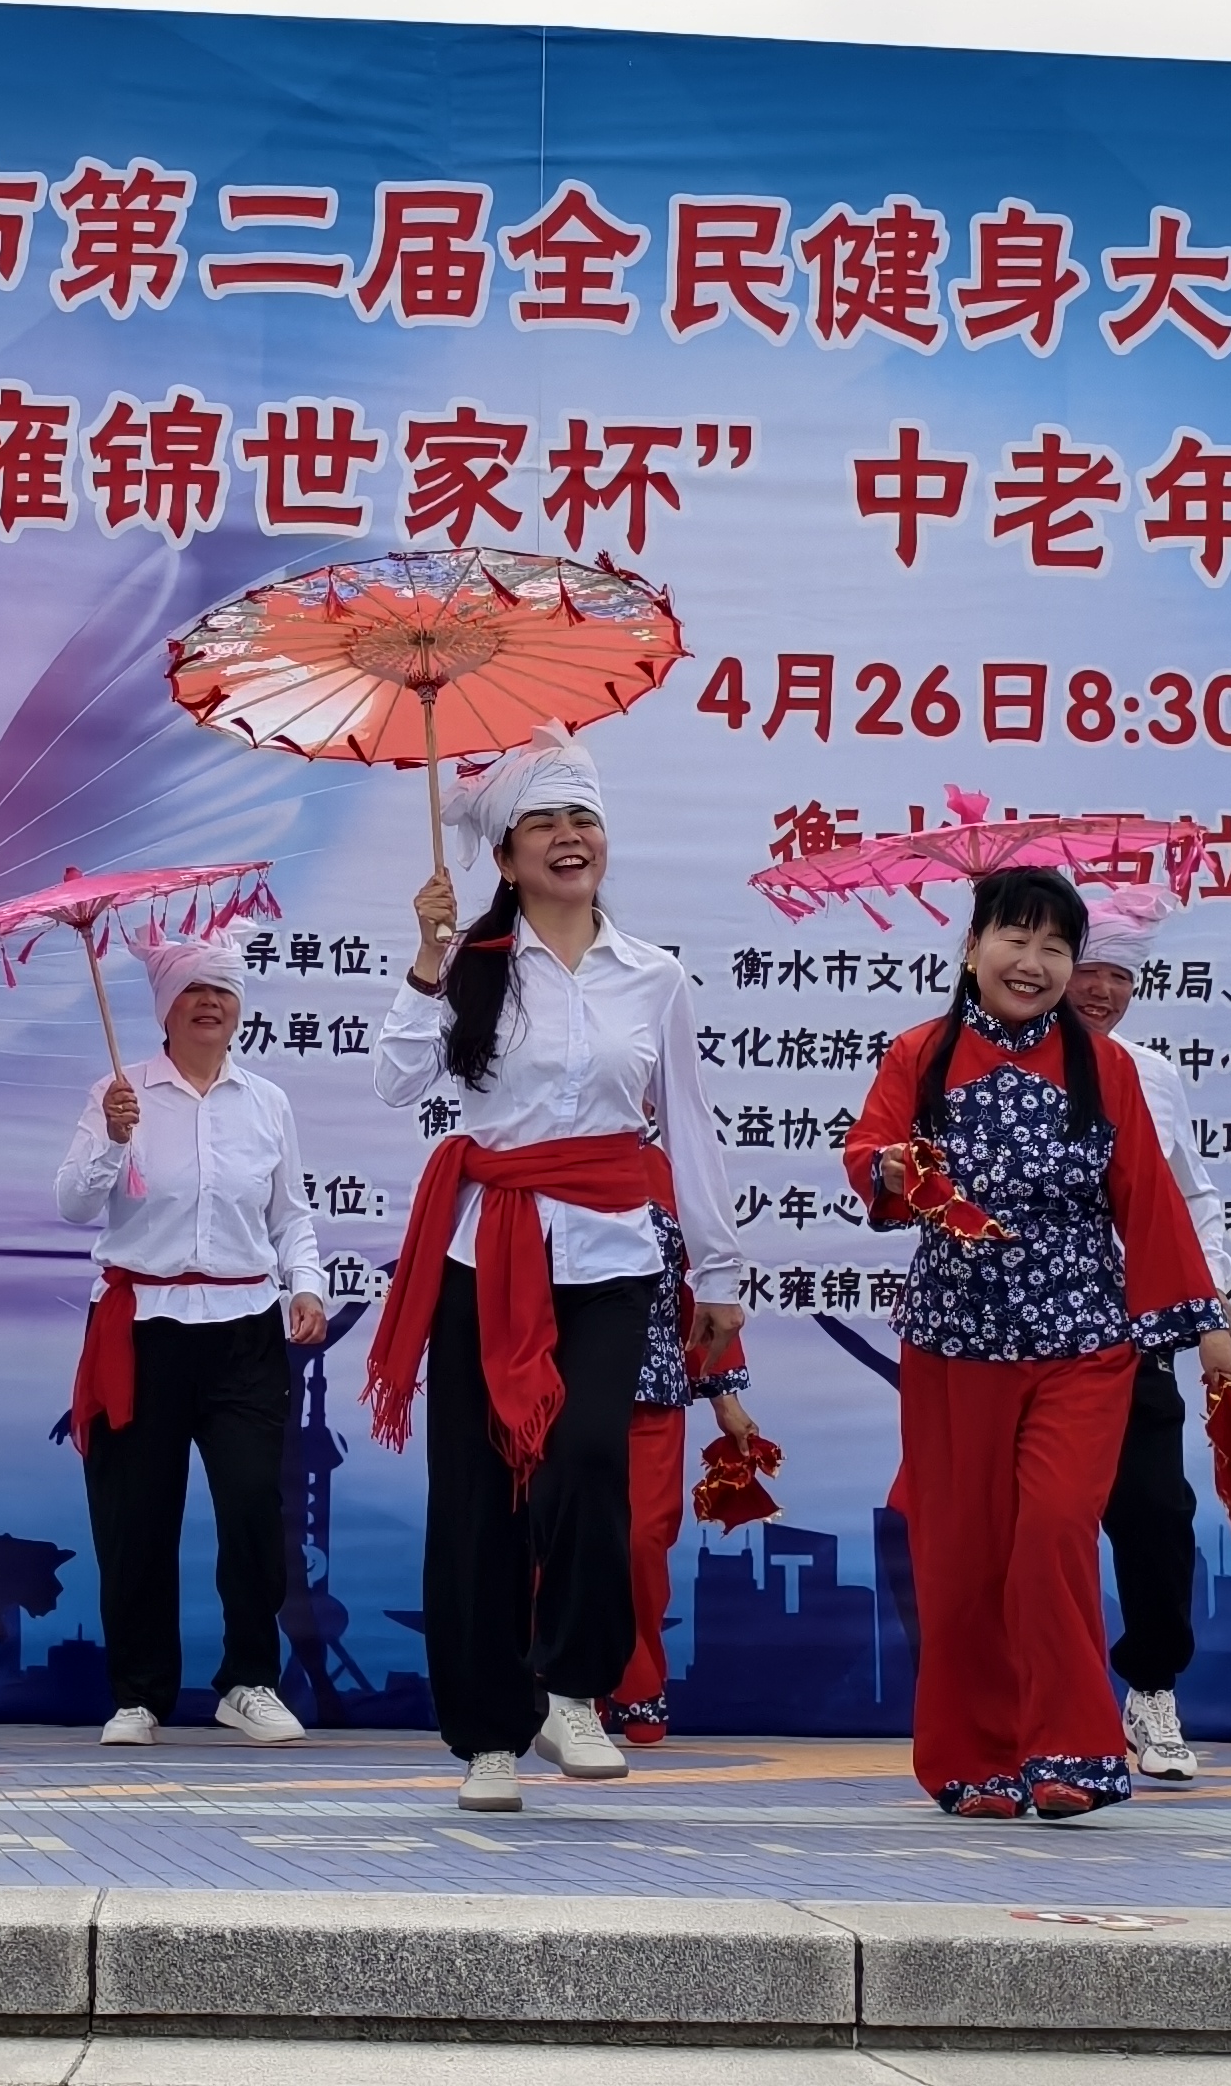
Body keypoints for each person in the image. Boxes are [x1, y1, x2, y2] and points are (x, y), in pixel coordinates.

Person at [367, 725, 747, 1815]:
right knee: (477, 1495)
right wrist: (428, 958)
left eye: (583, 818)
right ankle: (488, 1737)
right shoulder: (473, 966)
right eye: (542, 823)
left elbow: (688, 1126)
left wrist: (719, 1275)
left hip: (613, 1253)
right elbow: (396, 1082)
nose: (569, 837)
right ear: (505, 855)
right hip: (484, 1253)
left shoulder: (653, 977)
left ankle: (572, 1687)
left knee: (587, 1461)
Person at [842, 864, 1231, 1821]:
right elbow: (869, 1156)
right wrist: (891, 1169)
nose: (1034, 962)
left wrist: (1206, 1329)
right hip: (955, 1346)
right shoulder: (920, 1054)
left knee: (1056, 1532)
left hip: (1082, 1344)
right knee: (964, 1553)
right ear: (972, 948)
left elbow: (1148, 1199)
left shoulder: (1106, 1068)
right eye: (1015, 939)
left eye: (1056, 946)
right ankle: (976, 1759)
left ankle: (1071, 1751)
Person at [56, 930, 327, 1747]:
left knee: (252, 1507)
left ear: (238, 1006)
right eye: (192, 990)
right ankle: (139, 1693)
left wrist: (306, 1285)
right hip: (142, 1329)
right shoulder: (120, 1093)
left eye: (222, 990)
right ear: (164, 1008)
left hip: (244, 1329)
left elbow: (290, 1214)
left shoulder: (266, 1102)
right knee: (136, 1515)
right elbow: (73, 1205)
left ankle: (249, 1681)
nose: (209, 1003)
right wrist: (113, 1138)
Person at [1063, 885, 1231, 1786]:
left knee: (1158, 1514)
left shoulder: (1150, 1073)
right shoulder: (979, 1062)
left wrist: (1211, 1297)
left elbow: (1188, 1194)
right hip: (1021, 1330)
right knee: (1038, 1524)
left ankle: (1153, 1689)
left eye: (1119, 976)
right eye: (1087, 970)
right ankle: (1036, 1703)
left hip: (1131, 1329)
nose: (1101, 991)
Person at [606, 1199, 761, 1745]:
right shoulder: (542, 1163)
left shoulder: (676, 1176)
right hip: (560, 1390)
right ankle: (575, 1684)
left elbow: (703, 1291)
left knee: (643, 1540)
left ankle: (635, 1678)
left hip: (651, 1392)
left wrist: (724, 1396)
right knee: (561, 1538)